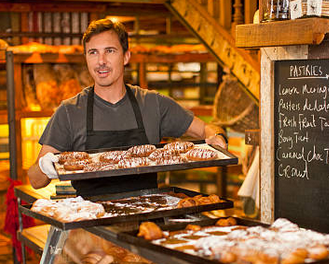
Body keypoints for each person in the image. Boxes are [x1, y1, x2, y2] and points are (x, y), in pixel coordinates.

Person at [28, 18, 227, 196]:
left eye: (110, 51)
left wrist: (217, 136)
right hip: (92, 226)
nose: (101, 62)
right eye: (93, 53)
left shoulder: (152, 104)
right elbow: (36, 181)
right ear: (86, 59)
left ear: (126, 57)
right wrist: (45, 167)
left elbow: (207, 129)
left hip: (147, 220)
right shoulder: (70, 111)